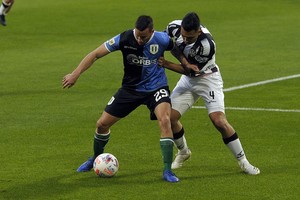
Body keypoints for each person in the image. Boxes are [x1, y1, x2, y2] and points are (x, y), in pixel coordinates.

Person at [62, 15, 180, 182]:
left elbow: (177, 49)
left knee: (165, 119)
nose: (139, 39)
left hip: (156, 88)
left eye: (144, 37)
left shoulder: (162, 39)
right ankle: (95, 157)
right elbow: (95, 54)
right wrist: (75, 74)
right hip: (130, 89)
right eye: (137, 35)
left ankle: (168, 171)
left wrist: (184, 65)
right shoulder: (124, 38)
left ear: (152, 31)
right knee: (102, 124)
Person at [159, 12, 260, 175]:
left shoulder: (206, 45)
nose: (185, 40)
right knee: (170, 118)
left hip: (207, 79)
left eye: (189, 38)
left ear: (198, 32)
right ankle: (184, 152)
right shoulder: (174, 27)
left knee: (219, 121)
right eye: (183, 36)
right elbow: (166, 43)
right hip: (187, 80)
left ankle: (243, 162)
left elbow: (191, 72)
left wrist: (165, 63)